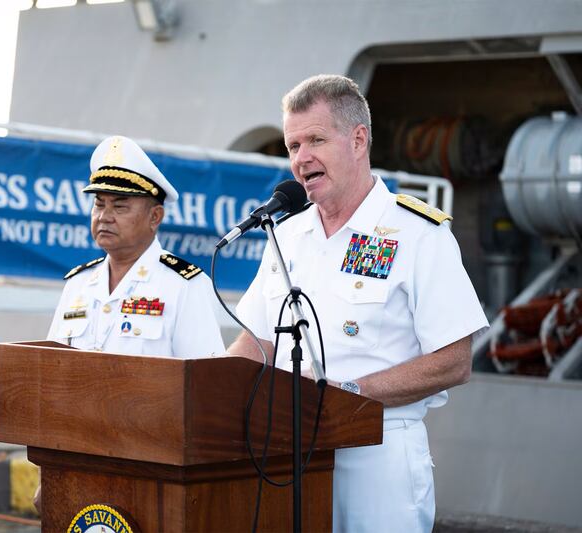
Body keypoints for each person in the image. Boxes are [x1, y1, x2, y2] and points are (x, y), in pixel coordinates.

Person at [227, 74, 489, 532]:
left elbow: (454, 361)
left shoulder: (417, 234)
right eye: (292, 146)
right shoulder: (286, 235)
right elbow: (257, 341)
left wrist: (346, 392)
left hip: (379, 457)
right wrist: (207, 391)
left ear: (358, 139)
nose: (301, 158)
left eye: (315, 140)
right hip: (290, 458)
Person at [35, 135, 226, 510]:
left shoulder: (184, 285)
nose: (104, 215)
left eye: (120, 205)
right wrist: (47, 471)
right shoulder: (77, 285)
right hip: (76, 464)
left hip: (155, 470)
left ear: (155, 216)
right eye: (99, 203)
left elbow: (208, 392)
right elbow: (51, 383)